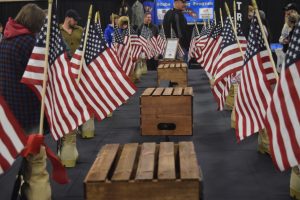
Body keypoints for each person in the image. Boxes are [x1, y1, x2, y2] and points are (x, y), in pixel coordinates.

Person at [0, 4, 50, 200]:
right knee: (37, 165)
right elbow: (42, 77)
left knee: (20, 163)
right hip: (29, 114)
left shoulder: (5, 41)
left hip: (9, 114)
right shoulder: (30, 43)